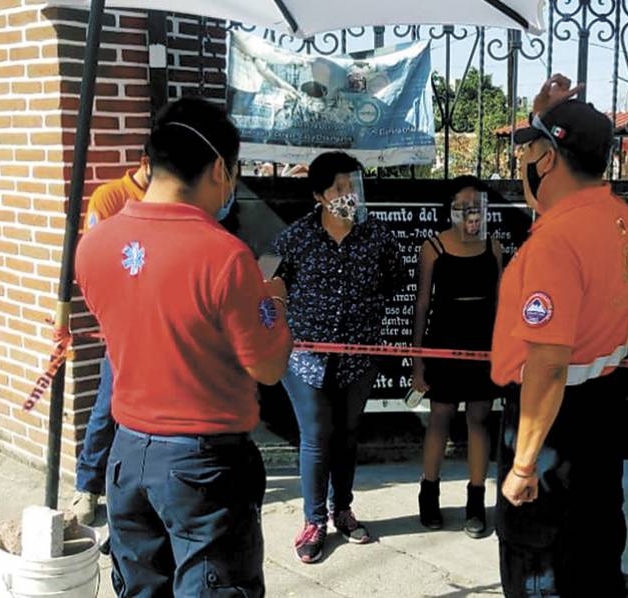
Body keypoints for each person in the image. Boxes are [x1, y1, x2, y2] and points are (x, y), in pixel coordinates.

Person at [76, 97, 292, 595]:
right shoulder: (226, 257)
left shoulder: (95, 247)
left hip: (126, 458)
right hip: (204, 466)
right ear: (220, 168)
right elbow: (268, 366)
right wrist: (274, 303)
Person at [490, 75, 628, 597]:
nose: (522, 160)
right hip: (599, 418)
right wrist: (545, 117)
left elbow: (549, 365)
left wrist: (524, 464)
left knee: (541, 563)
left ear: (550, 160)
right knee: (594, 559)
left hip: (551, 427)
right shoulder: (614, 215)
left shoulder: (556, 241)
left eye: (529, 149)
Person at [273, 151, 401, 564]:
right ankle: (314, 521)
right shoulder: (296, 238)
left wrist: (368, 311)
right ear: (319, 196)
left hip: (359, 357)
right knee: (317, 436)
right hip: (306, 359)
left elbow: (397, 278)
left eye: (354, 187)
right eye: (340, 188)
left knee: (347, 435)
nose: (350, 195)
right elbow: (268, 286)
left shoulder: (377, 236)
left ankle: (341, 509)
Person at [412, 175, 503, 538]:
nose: (472, 213)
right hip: (443, 339)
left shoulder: (494, 247)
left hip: (483, 342)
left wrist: (502, 350)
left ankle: (476, 502)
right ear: (450, 209)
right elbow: (421, 304)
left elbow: (499, 303)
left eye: (478, 205)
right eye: (465, 206)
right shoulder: (432, 247)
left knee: (479, 420)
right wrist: (418, 360)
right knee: (440, 417)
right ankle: (428, 493)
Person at [70, 150, 149, 526]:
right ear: (147, 163)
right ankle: (87, 486)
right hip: (123, 326)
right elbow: (94, 259)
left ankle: (138, 486)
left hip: (161, 322)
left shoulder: (169, 203)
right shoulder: (111, 198)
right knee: (107, 405)